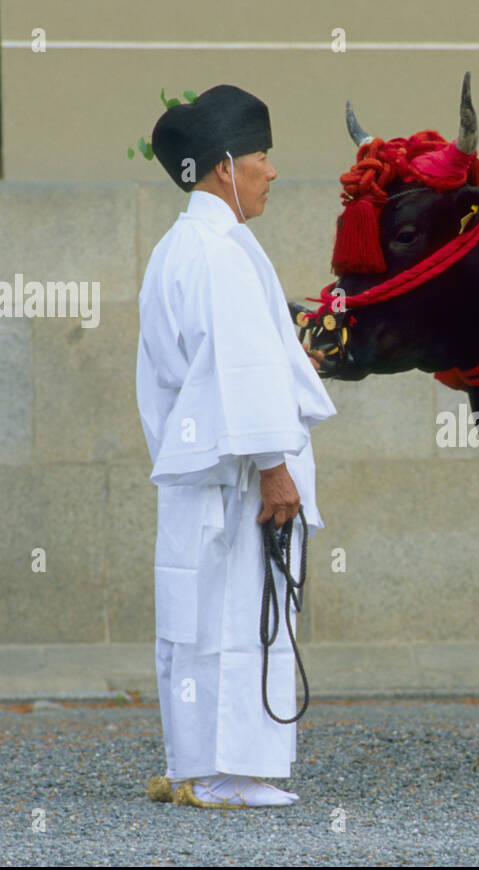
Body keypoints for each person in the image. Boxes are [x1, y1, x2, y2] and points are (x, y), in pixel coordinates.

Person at [135, 85, 336, 808]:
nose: (271, 171)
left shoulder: (179, 247)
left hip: (203, 477)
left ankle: (195, 767)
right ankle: (227, 775)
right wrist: (276, 468)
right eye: (261, 156)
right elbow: (234, 373)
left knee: (196, 624)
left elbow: (208, 367)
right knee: (229, 621)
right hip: (240, 476)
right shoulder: (217, 253)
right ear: (225, 167)